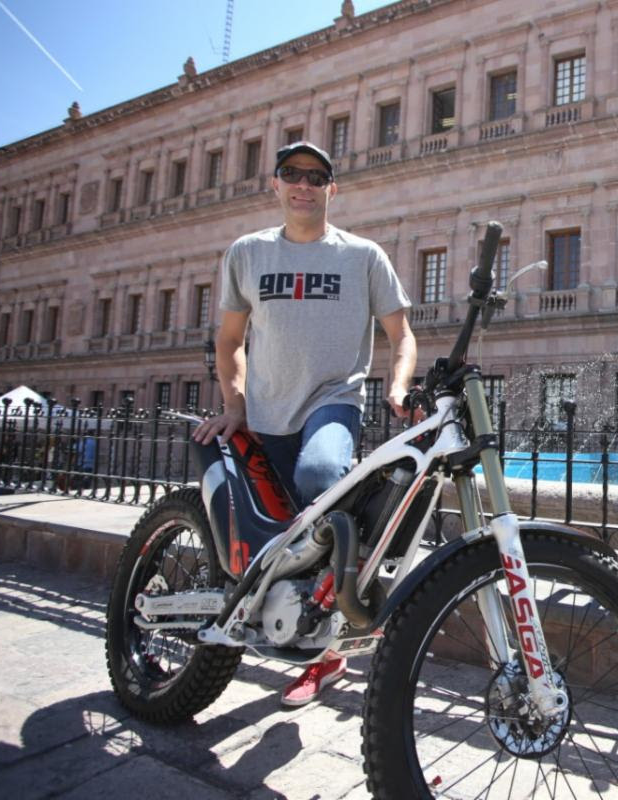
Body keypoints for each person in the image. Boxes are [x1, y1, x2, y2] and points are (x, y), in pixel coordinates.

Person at [192, 141, 416, 707]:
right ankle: (289, 628)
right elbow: (228, 342)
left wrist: (397, 385)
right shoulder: (247, 253)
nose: (303, 184)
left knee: (322, 480)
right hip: (265, 414)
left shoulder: (363, 256)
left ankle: (325, 654)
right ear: (275, 184)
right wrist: (234, 406)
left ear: (331, 189)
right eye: (292, 173)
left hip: (332, 401)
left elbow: (401, 334)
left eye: (316, 177)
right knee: (275, 541)